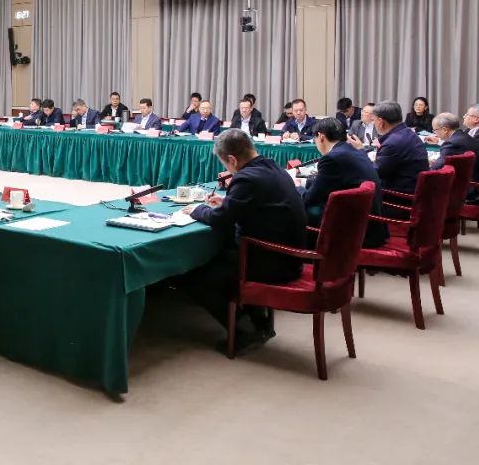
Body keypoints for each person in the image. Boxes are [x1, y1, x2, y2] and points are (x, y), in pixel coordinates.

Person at [181, 130, 307, 352]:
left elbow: (220, 220)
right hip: (290, 255)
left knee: (197, 277)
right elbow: (258, 206)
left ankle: (245, 331)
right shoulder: (274, 168)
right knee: (223, 258)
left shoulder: (246, 178)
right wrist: (228, 203)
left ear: (232, 159)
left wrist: (197, 210)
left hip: (272, 262)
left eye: (225, 164)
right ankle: (260, 324)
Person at [302, 118, 384, 247]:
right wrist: (307, 182)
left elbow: (311, 198)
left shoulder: (332, 158)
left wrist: (295, 189)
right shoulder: (352, 151)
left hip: (354, 231)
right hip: (370, 224)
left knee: (300, 208)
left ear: (321, 137)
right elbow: (332, 181)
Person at [349, 100, 427, 195]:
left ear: (381, 122)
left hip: (398, 195)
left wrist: (360, 150)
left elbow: (373, 174)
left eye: (374, 120)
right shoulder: (408, 132)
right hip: (412, 188)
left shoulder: (392, 143)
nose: (373, 123)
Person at [427, 111, 479, 176]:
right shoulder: (464, 135)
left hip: (466, 178)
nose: (435, 133)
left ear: (445, 130)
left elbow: (435, 169)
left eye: (435, 130)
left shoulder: (451, 144)